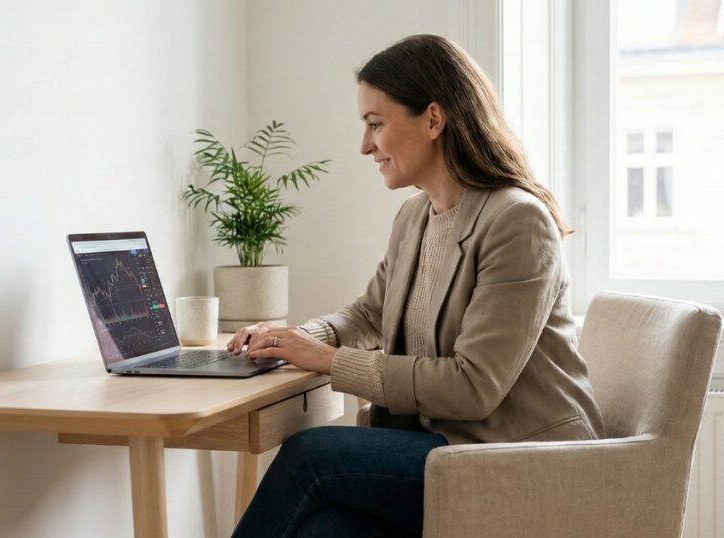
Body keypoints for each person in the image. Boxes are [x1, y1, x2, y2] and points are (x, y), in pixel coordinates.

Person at [227, 34, 605, 538]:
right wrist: (296, 338)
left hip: (517, 459)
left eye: (375, 124)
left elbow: (472, 388)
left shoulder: (517, 221)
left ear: (433, 119)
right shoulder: (415, 216)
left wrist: (329, 361)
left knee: (312, 456)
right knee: (326, 529)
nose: (365, 146)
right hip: (443, 447)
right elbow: (369, 313)